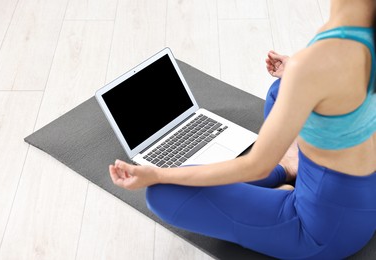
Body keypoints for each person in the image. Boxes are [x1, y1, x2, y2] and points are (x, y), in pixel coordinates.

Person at [109, 0, 376, 258]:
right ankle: (292, 166)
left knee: (162, 192)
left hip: (322, 232)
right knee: (279, 90)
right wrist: (302, 79)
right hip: (363, 195)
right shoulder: (363, 29)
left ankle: (285, 172)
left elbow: (255, 166)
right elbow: (350, 85)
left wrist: (157, 173)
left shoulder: (315, 60)